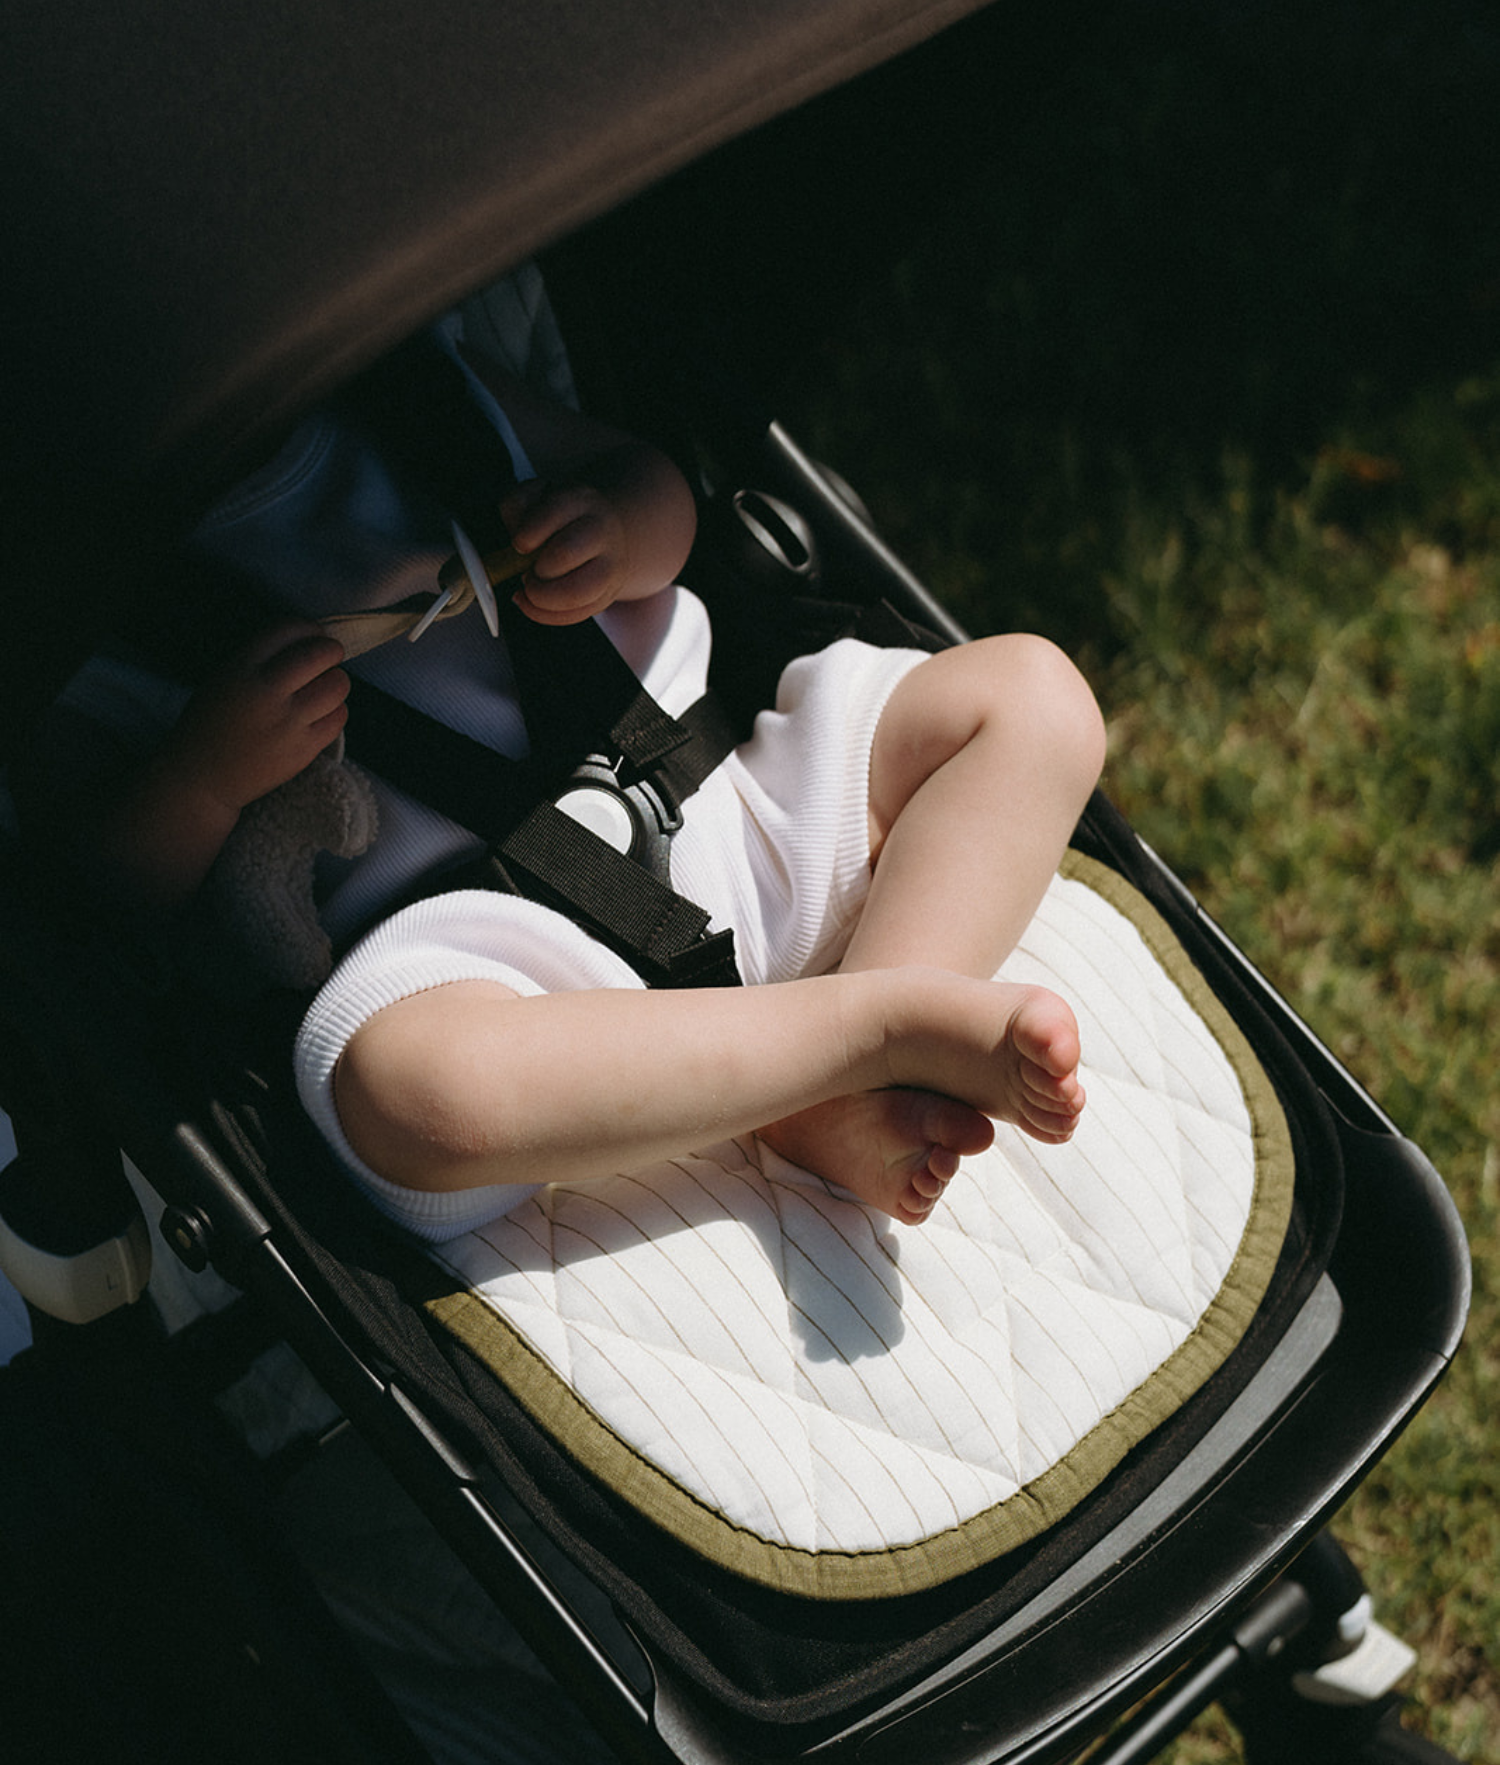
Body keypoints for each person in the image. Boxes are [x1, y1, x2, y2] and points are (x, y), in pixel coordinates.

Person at [44, 307, 1106, 1238]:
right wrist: (203, 777)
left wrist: (619, 530)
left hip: (724, 799)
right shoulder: (113, 619)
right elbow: (102, 883)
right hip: (508, 961)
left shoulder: (410, 381)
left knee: (1032, 698)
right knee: (408, 1088)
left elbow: (654, 490)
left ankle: (845, 1061)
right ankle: (873, 1032)